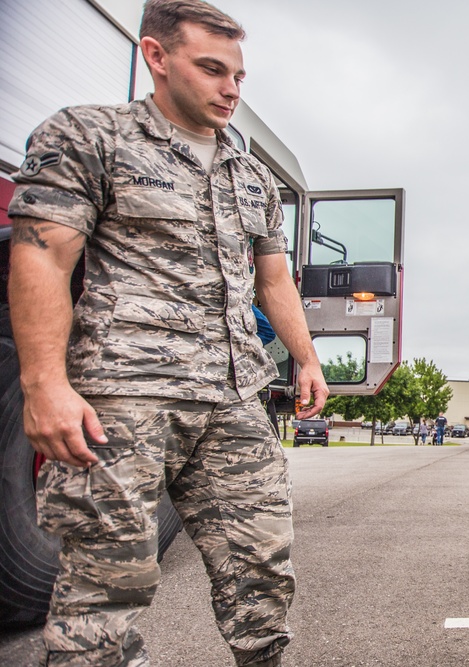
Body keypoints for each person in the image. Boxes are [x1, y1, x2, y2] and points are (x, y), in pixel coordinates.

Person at [7, 1, 329, 664]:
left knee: (263, 569)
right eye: (212, 70)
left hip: (234, 402)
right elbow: (42, 254)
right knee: (103, 586)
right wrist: (44, 384)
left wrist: (306, 358)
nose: (231, 89)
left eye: (238, 76)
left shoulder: (251, 178)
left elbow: (273, 281)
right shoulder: (92, 137)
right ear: (156, 57)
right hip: (125, 398)